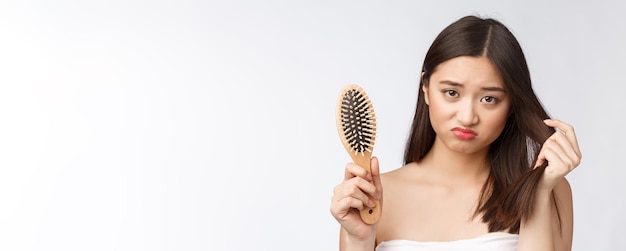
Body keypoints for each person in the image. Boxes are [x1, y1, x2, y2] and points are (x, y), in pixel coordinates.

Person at [330, 15, 582, 251]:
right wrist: (358, 240)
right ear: (426, 88)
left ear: (512, 104)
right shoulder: (372, 198)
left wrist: (537, 194)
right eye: (452, 93)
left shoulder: (549, 192)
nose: (467, 116)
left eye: (489, 98)